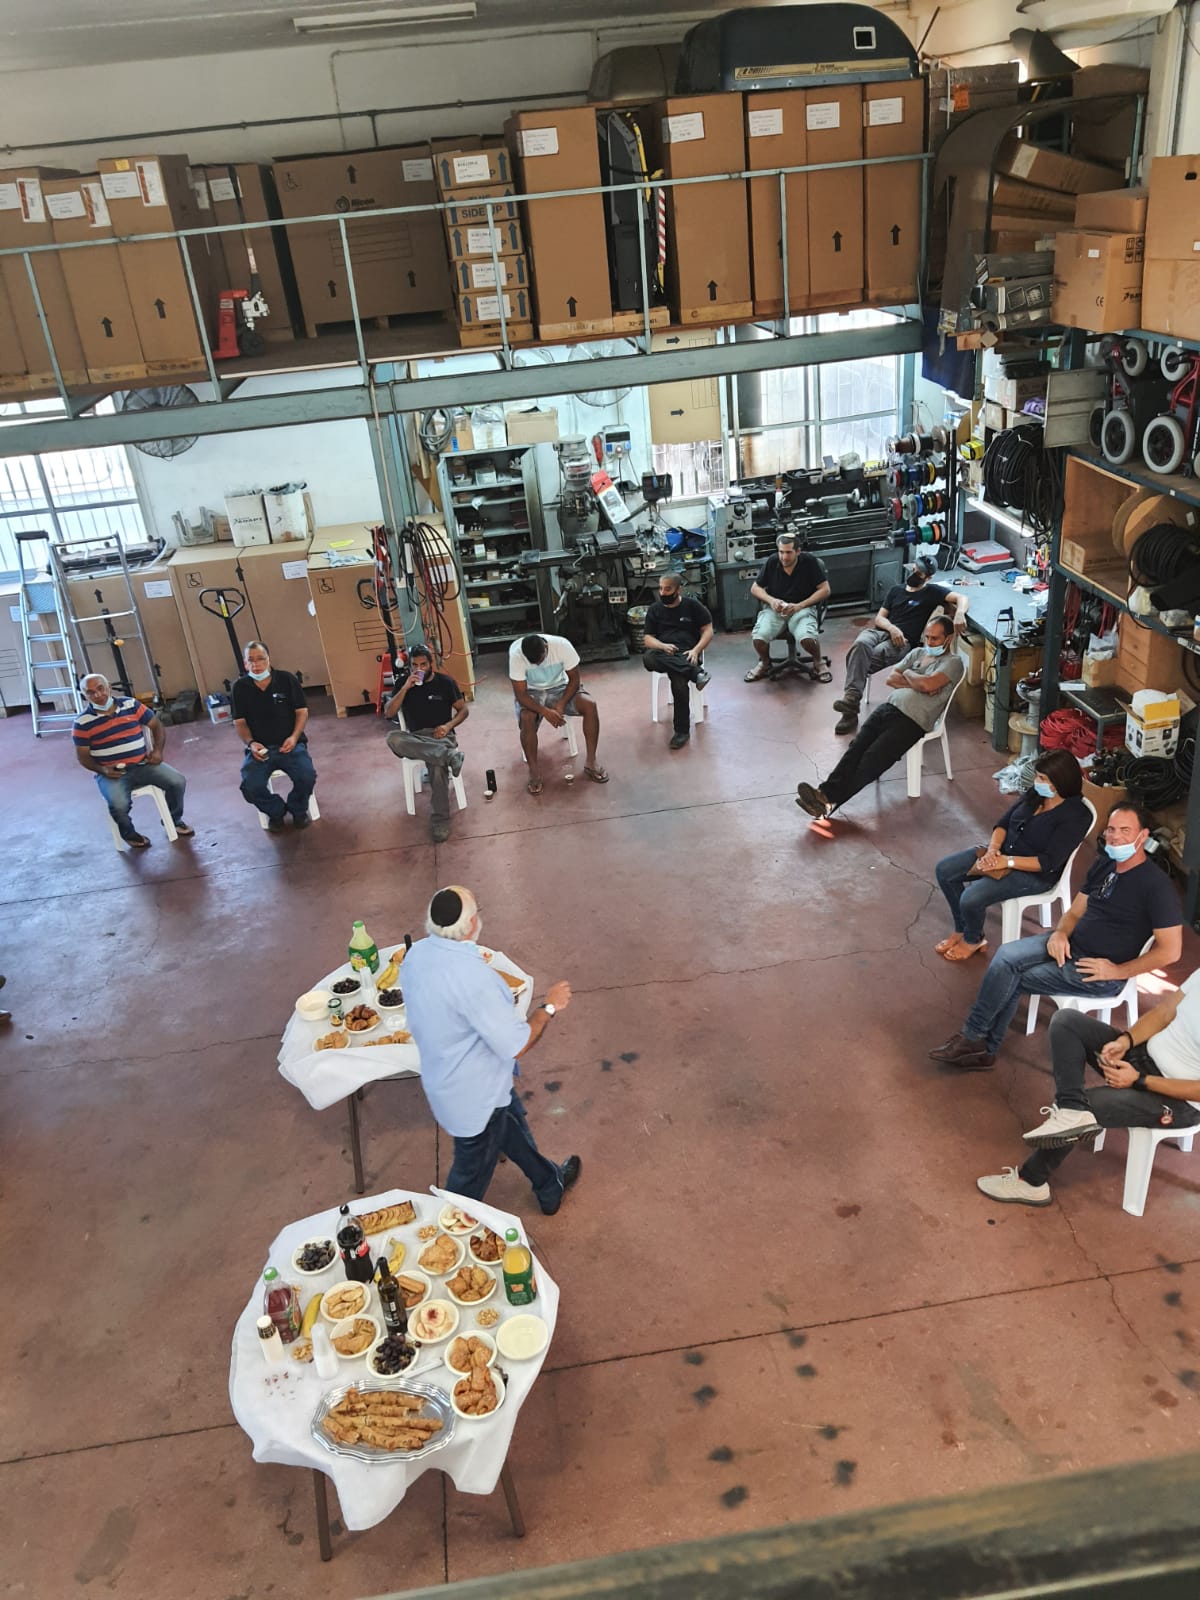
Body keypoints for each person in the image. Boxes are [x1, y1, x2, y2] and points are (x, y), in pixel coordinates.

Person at [931, 801, 1183, 1070]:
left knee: (1012, 975)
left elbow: (1171, 951)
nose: (1115, 837)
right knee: (1006, 955)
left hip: (1097, 970)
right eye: (1111, 829)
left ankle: (977, 1043)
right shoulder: (1105, 865)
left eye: (1125, 830)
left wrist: (1118, 971)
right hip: (1070, 944)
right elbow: (1074, 913)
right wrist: (1061, 933)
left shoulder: (1156, 887)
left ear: (1142, 836)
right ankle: (978, 1045)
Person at [402, 884, 583, 1212]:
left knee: (511, 1123)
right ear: (471, 924)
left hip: (453, 1078)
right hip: (476, 1099)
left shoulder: (416, 955)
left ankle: (549, 1184)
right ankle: (445, 1236)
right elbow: (517, 1045)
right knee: (465, 1187)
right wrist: (549, 1007)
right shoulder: (474, 979)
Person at [976, 981, 1200, 1207]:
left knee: (1089, 1106)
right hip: (1143, 1057)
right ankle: (1071, 1109)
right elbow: (1164, 1012)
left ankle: (1031, 1182)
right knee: (1066, 1021)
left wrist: (1139, 1080)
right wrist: (1125, 1041)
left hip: (1177, 1100)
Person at [795, 615, 962, 820]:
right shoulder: (917, 652)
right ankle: (824, 793)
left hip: (913, 721)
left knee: (872, 759)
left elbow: (927, 684)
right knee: (856, 748)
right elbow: (892, 678)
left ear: (948, 639)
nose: (929, 642)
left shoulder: (953, 663)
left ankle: (829, 802)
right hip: (888, 708)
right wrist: (918, 682)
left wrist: (910, 675)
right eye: (927, 637)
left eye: (935, 639)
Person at [933, 749, 1091, 963]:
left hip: (1034, 874)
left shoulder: (1076, 816)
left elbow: (1048, 862)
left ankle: (973, 939)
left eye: (1042, 778)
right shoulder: (1036, 795)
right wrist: (992, 850)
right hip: (1003, 853)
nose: (1037, 782)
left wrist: (1006, 862)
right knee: (945, 871)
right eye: (1037, 776)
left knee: (971, 898)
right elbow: (1003, 823)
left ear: (1060, 781)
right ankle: (962, 929)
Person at [832, 554, 967, 734]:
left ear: (928, 577)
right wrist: (892, 628)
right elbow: (880, 618)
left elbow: (961, 598)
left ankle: (850, 707)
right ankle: (851, 701)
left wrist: (960, 613)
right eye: (915, 569)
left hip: (903, 642)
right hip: (882, 631)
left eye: (919, 573)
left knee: (863, 659)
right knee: (860, 645)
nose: (914, 573)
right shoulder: (896, 590)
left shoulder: (932, 592)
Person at [72, 672, 192, 847]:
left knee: (177, 781)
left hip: (143, 764)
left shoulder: (131, 704)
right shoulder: (82, 723)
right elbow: (83, 757)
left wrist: (157, 751)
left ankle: (173, 819)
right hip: (111, 773)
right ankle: (129, 834)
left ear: (109, 687)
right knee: (119, 804)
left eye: (100, 688)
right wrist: (103, 770)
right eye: (90, 692)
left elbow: (156, 725)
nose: (97, 695)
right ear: (84, 696)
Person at [384, 644, 468, 843]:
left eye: (423, 664)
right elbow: (388, 712)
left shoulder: (445, 683)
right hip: (416, 738)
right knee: (393, 738)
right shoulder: (403, 682)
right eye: (414, 665)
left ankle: (440, 821)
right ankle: (450, 756)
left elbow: (463, 711)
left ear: (431, 664)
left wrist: (448, 726)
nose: (419, 669)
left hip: (442, 736)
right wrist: (405, 688)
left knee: (437, 768)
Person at [232, 641, 316, 832]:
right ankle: (276, 812)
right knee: (250, 786)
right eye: (250, 660)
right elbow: (240, 722)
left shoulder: (286, 680)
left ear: (269, 659)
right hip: (260, 750)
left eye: (260, 659)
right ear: (245, 663)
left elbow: (302, 712)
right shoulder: (240, 688)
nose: (256, 664)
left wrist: (294, 737)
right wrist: (251, 743)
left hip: (290, 745)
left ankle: (298, 810)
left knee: (306, 776)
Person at [509, 632, 606, 793]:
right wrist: (546, 712)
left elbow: (575, 680)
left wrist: (560, 705)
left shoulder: (562, 646)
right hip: (532, 692)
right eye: (533, 663)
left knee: (590, 705)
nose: (538, 665)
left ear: (546, 648)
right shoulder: (516, 655)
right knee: (527, 717)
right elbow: (521, 695)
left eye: (540, 660)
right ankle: (534, 772)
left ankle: (591, 762)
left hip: (560, 687)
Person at [744, 531, 831, 684]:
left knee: (808, 639)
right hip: (776, 610)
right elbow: (755, 588)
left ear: (798, 551)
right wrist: (772, 601)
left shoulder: (809, 562)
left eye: (789, 552)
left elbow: (825, 590)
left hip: (801, 608)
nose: (784, 557)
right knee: (759, 638)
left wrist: (799, 606)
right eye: (781, 552)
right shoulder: (772, 561)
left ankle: (818, 661)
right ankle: (765, 663)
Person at [642, 572, 713, 749]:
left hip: (688, 652)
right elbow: (648, 639)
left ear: (678, 589)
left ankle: (681, 732)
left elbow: (708, 630)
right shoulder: (655, 609)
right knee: (648, 657)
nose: (663, 593)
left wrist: (696, 650)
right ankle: (696, 673)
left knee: (679, 683)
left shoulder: (693, 606)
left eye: (668, 589)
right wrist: (662, 646)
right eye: (660, 589)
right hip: (663, 652)